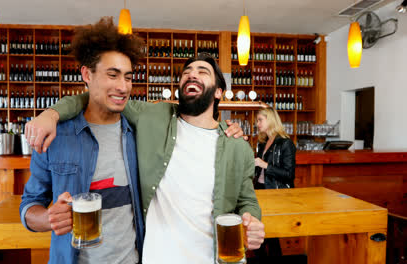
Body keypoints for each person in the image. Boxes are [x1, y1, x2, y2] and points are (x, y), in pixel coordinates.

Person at [26, 53, 265, 263]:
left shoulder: (237, 146)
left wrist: (252, 221)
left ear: (219, 91)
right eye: (186, 72)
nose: (192, 75)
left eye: (202, 72)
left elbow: (247, 201)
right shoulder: (154, 116)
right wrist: (51, 114)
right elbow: (97, 96)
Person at [19, 17, 146, 264]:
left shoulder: (139, 133)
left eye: (128, 77)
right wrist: (47, 219)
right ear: (87, 74)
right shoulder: (56, 135)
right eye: (113, 75)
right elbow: (30, 204)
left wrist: (228, 130)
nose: (123, 87)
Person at [253, 107, 296, 260]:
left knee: (269, 236)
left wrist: (265, 165)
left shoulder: (285, 143)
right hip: (260, 190)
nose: (257, 123)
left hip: (274, 193)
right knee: (263, 235)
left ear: (270, 120)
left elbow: (289, 175)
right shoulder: (263, 142)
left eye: (260, 120)